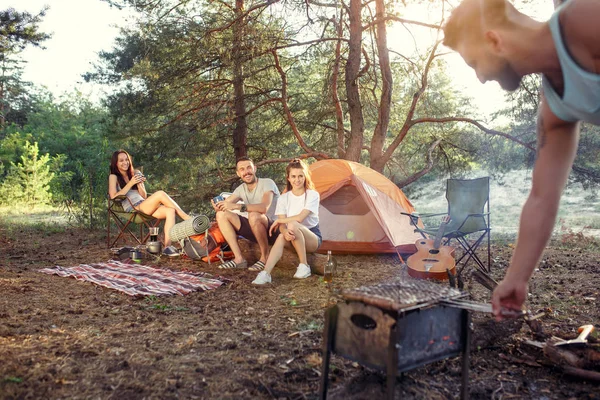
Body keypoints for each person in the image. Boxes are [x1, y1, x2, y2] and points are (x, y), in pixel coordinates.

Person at [443, 0, 600, 319]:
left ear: (494, 40)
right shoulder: (556, 105)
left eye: (474, 62)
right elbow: (542, 197)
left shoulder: (584, 19)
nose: (481, 78)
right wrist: (516, 278)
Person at [108, 149, 192, 257]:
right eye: (121, 161)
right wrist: (131, 183)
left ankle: (167, 248)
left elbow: (144, 196)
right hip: (134, 208)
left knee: (170, 210)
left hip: (143, 203)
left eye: (127, 160)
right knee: (160, 193)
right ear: (116, 163)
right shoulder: (113, 176)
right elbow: (113, 196)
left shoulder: (135, 173)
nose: (125, 163)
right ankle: (186, 217)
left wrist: (139, 184)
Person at [252, 159, 322, 285]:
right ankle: (266, 273)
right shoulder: (284, 198)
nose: (297, 180)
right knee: (280, 236)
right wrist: (284, 231)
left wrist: (279, 221)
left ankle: (304, 265)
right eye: (293, 176)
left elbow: (300, 218)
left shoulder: (312, 195)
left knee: (293, 224)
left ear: (305, 177)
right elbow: (283, 227)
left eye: (301, 176)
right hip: (293, 236)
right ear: (288, 178)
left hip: (312, 238)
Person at [212, 157, 281, 270]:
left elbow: (263, 208)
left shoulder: (268, 183)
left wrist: (236, 206)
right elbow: (226, 204)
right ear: (238, 173)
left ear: (255, 168)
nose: (246, 172)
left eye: (249, 167)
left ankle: (265, 257)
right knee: (221, 215)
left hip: (273, 229)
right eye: (242, 169)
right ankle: (239, 259)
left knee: (254, 214)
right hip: (255, 228)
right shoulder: (241, 189)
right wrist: (218, 206)